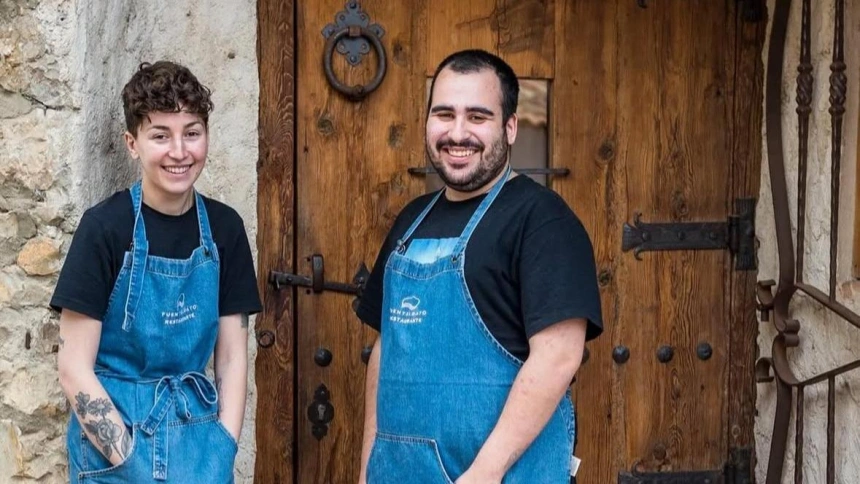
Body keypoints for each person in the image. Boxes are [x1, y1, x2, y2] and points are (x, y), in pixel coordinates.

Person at [356, 49, 603, 484]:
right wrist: (367, 469)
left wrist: (486, 472)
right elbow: (386, 350)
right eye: (444, 114)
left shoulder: (542, 220)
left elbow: (558, 356)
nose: (457, 133)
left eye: (477, 117)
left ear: (510, 127)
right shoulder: (411, 221)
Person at [51, 61, 262, 483]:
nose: (179, 152)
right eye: (161, 136)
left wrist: (223, 446)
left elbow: (232, 356)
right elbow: (73, 366)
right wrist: (130, 460)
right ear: (133, 144)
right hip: (113, 451)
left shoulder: (225, 229)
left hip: (198, 445)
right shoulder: (104, 228)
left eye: (192, 133)